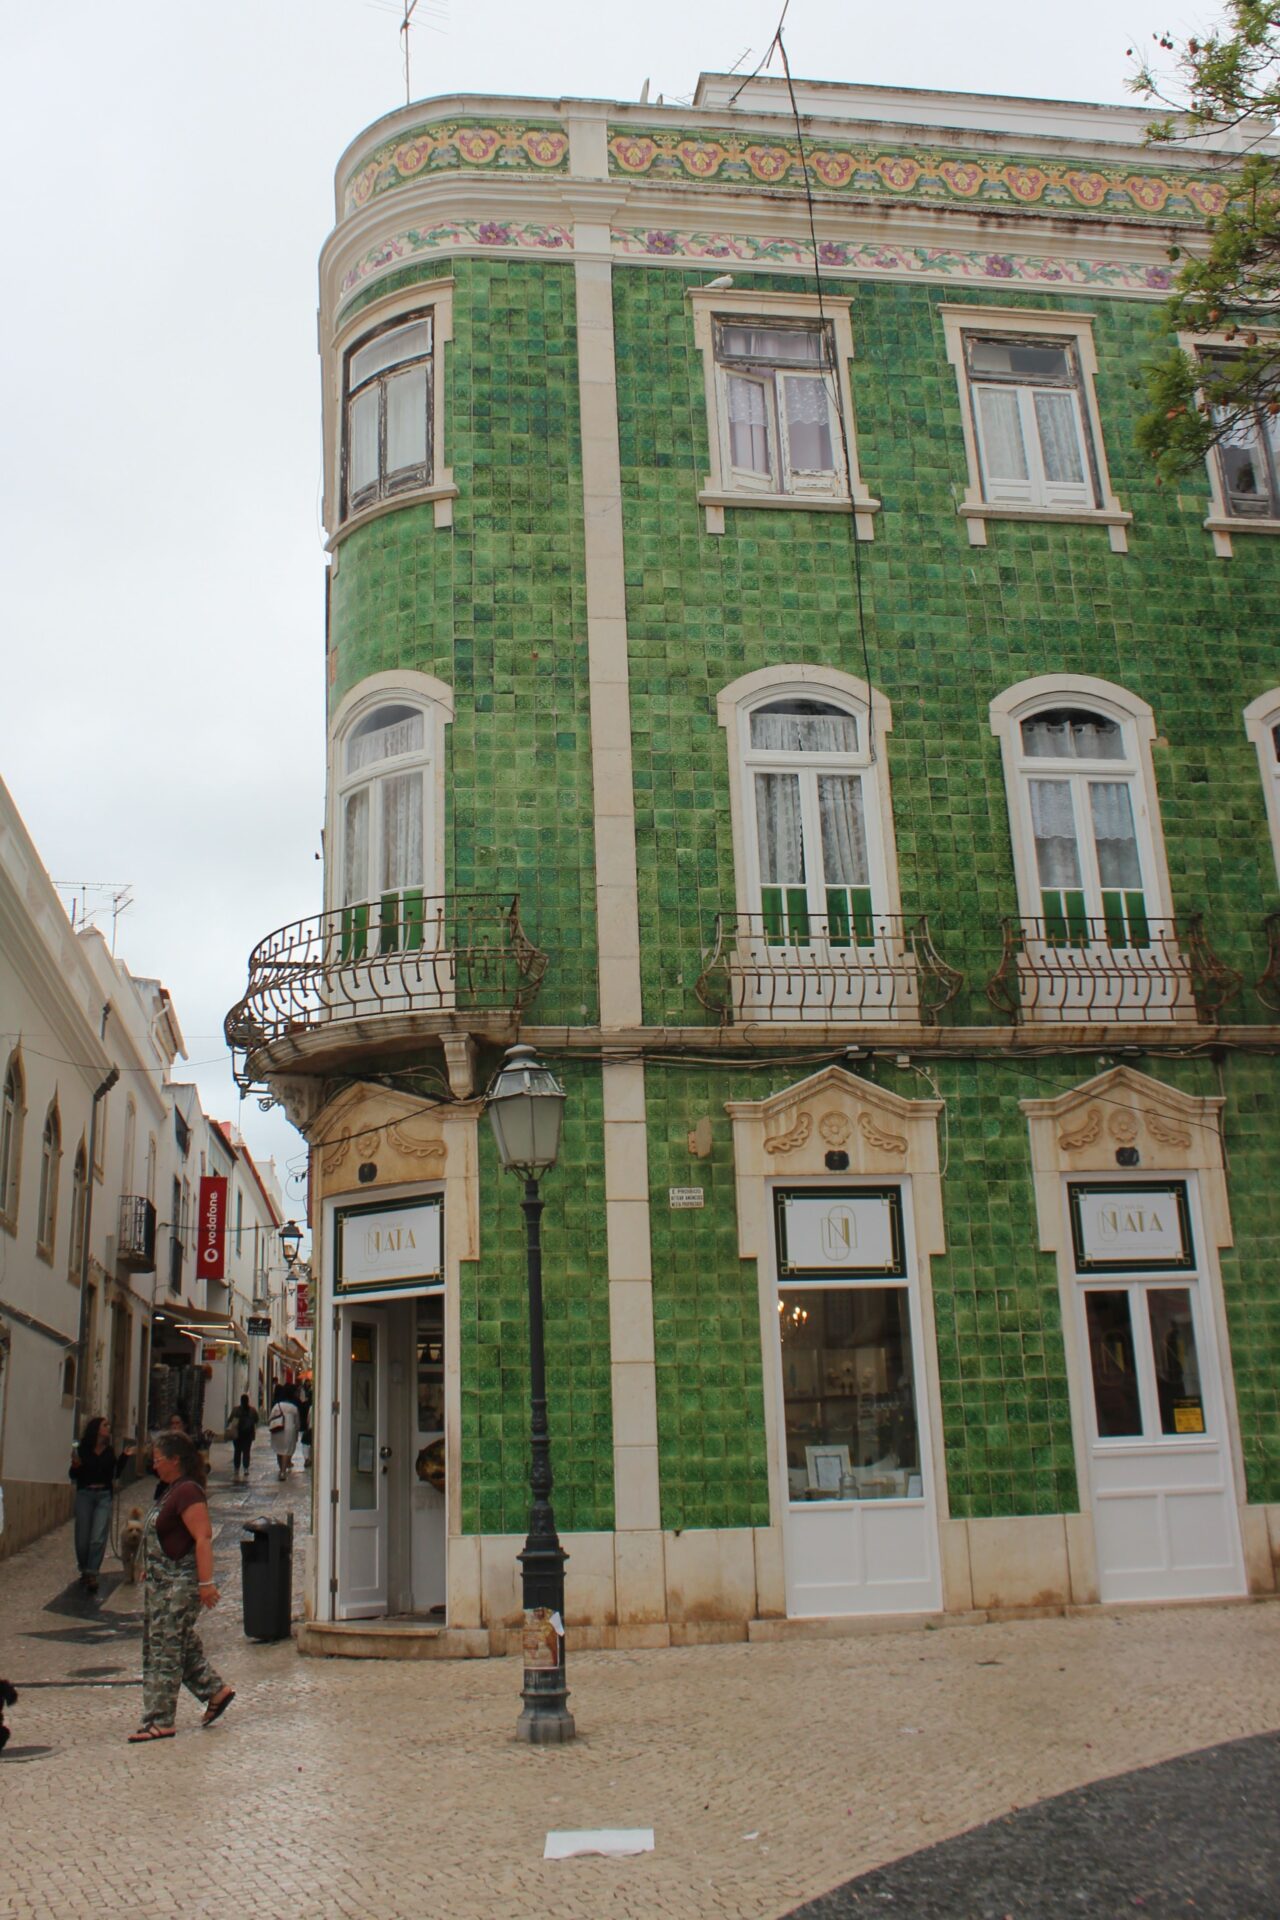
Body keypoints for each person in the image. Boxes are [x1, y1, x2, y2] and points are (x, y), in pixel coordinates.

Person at [129, 1429, 234, 1743]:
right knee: (177, 1644)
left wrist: (206, 1584)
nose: (155, 1465)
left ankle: (161, 1720)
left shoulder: (188, 1492)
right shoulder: (170, 1489)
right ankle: (216, 1691)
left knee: (166, 1650)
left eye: (159, 1459)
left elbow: (202, 1537)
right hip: (163, 1585)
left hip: (179, 1585)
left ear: (176, 1460)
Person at [69, 1416, 134, 1591]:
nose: (108, 1427)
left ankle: (92, 1573)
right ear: (96, 1429)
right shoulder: (83, 1450)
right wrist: (75, 1467)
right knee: (82, 1538)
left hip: (103, 1496)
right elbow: (73, 1475)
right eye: (105, 1425)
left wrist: (124, 1457)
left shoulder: (109, 1451)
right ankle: (84, 1569)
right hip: (85, 1494)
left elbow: (115, 1473)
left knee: (98, 1537)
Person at [268, 1385, 300, 1480]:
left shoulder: (277, 1406)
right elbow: (297, 1422)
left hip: (278, 1429)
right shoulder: (294, 1407)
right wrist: (297, 1433)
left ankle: (280, 1468)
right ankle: (283, 1471)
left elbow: (270, 1418)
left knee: (279, 1449)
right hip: (290, 1430)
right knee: (286, 1450)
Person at [229, 1395, 258, 1482]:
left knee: (237, 1451)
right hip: (248, 1434)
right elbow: (256, 1420)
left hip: (237, 1434)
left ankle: (236, 1468)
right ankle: (246, 1468)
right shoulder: (252, 1410)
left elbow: (230, 1419)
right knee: (246, 1451)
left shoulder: (235, 1410)